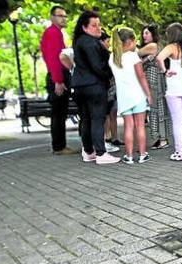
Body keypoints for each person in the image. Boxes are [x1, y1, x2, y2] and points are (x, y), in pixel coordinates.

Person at [71, 10, 119, 164]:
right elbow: (97, 66)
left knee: (85, 119)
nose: (99, 28)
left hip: (79, 85)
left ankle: (89, 151)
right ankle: (101, 153)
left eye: (99, 25)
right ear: (85, 27)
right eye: (94, 25)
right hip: (94, 85)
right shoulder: (90, 42)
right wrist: (109, 76)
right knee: (97, 118)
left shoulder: (79, 41)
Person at [109, 27, 152, 164]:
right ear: (130, 41)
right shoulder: (133, 56)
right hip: (138, 95)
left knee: (128, 126)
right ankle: (142, 154)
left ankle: (128, 156)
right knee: (140, 126)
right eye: (135, 42)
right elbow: (141, 76)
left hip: (123, 97)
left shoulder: (112, 58)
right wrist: (148, 94)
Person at [156, 23, 182, 161]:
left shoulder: (171, 47)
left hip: (174, 87)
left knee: (177, 121)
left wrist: (164, 71)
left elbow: (159, 57)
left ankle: (179, 151)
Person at [40, 5, 74, 155]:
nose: (64, 18)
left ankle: (59, 145)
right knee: (59, 113)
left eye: (65, 16)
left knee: (60, 113)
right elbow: (54, 59)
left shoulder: (55, 33)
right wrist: (58, 81)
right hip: (58, 77)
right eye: (60, 16)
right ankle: (59, 146)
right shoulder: (53, 33)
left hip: (58, 76)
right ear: (52, 17)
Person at [138, 24, 171, 150]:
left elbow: (137, 55)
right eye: (143, 33)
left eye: (147, 33)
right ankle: (161, 138)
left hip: (154, 81)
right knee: (157, 109)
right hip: (154, 80)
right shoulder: (158, 46)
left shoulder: (153, 46)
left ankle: (162, 139)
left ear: (153, 34)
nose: (143, 35)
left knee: (157, 109)